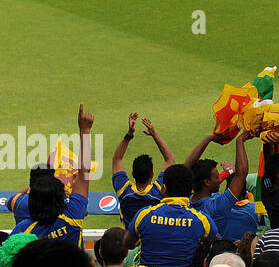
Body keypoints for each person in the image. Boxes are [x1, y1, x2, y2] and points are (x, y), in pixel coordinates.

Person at [14, 104, 94, 248]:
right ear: (62, 200)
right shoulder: (72, 216)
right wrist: (85, 131)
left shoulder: (21, 232)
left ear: (31, 202)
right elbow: (84, 173)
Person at [126, 163, 212, 267]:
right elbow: (216, 247)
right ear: (190, 190)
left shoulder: (144, 215)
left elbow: (127, 243)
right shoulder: (202, 220)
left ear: (164, 188)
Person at [110, 113, 172, 230]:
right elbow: (170, 159)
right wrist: (155, 134)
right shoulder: (159, 191)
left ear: (133, 174)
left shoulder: (123, 190)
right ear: (152, 174)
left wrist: (129, 134)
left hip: (129, 245)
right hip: (151, 244)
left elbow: (117, 159)